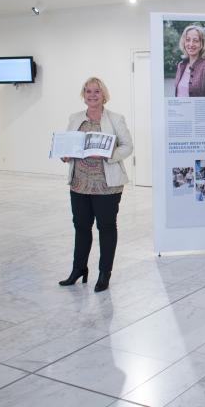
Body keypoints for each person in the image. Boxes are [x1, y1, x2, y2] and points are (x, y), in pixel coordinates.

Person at [59, 77, 133, 292]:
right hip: (79, 183)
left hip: (106, 185)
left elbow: (127, 147)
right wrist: (65, 155)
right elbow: (70, 145)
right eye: (88, 91)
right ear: (84, 95)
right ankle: (78, 269)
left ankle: (104, 274)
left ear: (104, 95)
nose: (92, 95)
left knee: (106, 228)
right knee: (81, 227)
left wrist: (109, 154)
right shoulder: (74, 119)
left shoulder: (115, 119)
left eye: (96, 92)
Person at [174, 25, 205, 97]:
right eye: (188, 40)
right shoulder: (181, 65)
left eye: (195, 41)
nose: (191, 44)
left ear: (202, 44)